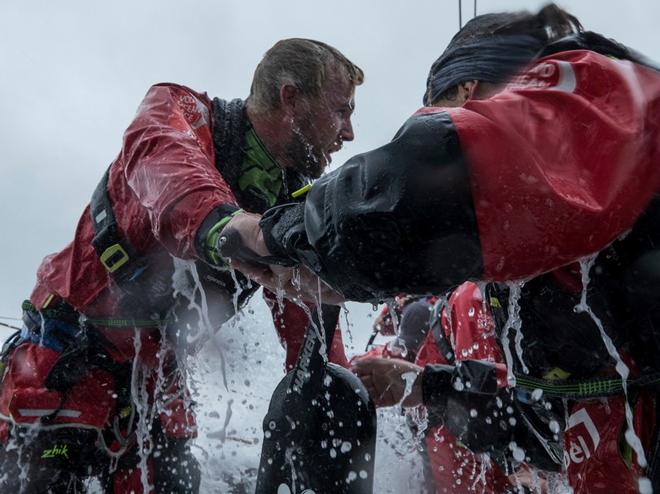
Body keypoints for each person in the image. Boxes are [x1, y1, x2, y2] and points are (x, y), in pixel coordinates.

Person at [224, 5, 660, 493]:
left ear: (468, 93)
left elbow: (432, 179)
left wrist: (276, 232)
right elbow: (544, 432)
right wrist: (423, 386)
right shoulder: (565, 254)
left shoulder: (602, 92)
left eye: (440, 113)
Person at [0, 38, 362, 493]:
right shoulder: (179, 113)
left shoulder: (290, 204)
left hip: (159, 391)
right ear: (290, 98)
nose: (349, 133)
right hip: (68, 358)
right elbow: (168, 163)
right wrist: (237, 229)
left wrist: (346, 384)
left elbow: (307, 324)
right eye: (342, 110)